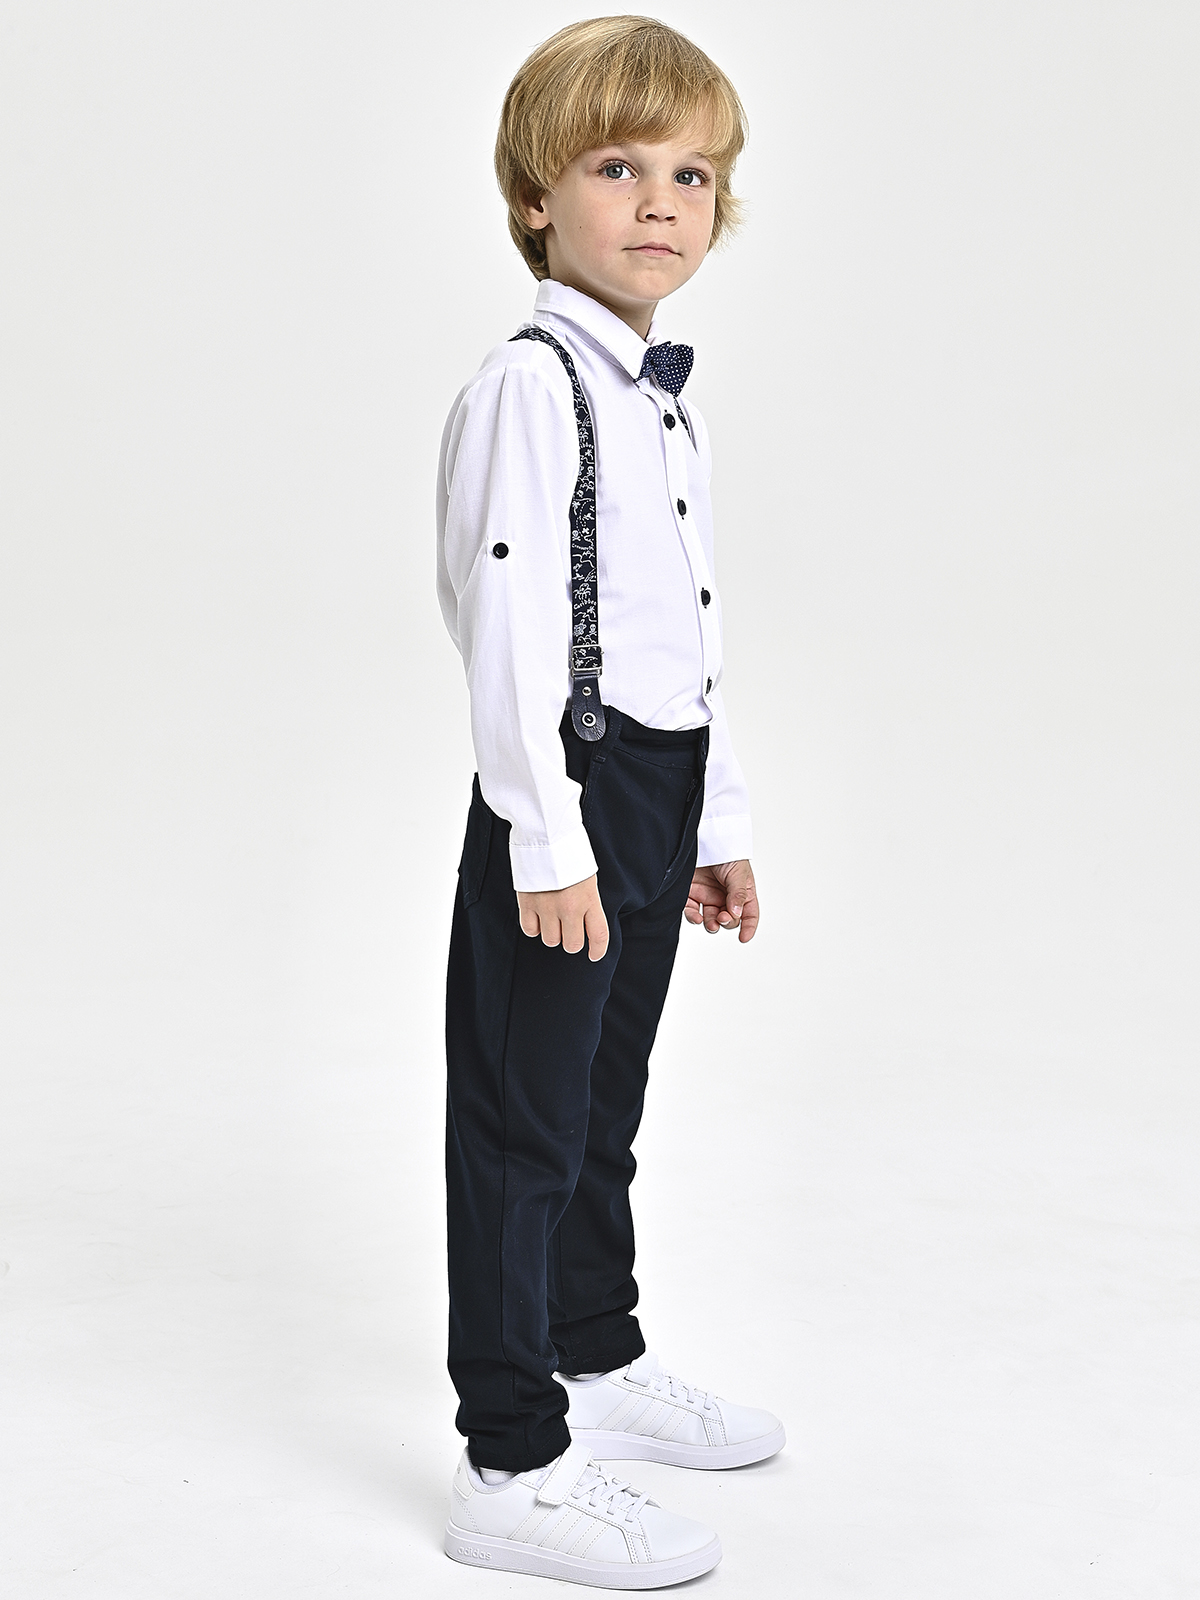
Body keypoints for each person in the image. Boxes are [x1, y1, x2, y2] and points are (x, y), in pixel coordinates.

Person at [435, 17, 784, 1587]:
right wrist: (545, 837)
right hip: (566, 796)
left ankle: (593, 1350)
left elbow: (686, 628)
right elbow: (508, 622)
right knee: (523, 1129)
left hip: (654, 785)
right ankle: (510, 1460)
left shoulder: (660, 399)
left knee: (601, 1106)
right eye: (617, 167)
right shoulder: (532, 387)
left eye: (692, 175)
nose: (660, 202)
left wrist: (713, 824)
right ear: (536, 199)